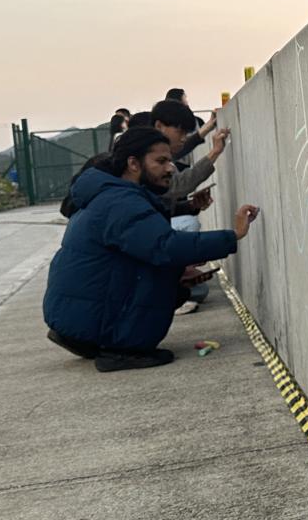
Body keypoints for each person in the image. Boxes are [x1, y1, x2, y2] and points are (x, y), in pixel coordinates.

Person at [44, 128, 259, 372]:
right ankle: (120, 349)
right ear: (133, 163)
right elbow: (165, 247)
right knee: (166, 264)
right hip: (85, 317)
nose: (171, 168)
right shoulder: (121, 202)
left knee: (172, 277)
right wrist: (234, 235)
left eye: (169, 160)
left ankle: (97, 337)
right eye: (161, 161)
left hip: (75, 315)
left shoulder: (111, 194)